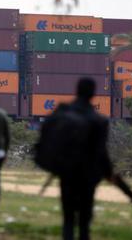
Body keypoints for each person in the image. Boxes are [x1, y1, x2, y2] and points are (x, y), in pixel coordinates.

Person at [55, 78, 113, 240]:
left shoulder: (62, 114)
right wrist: (109, 173)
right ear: (94, 94)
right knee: (84, 221)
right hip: (88, 176)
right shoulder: (100, 121)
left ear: (76, 91)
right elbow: (102, 152)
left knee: (67, 219)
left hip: (67, 174)